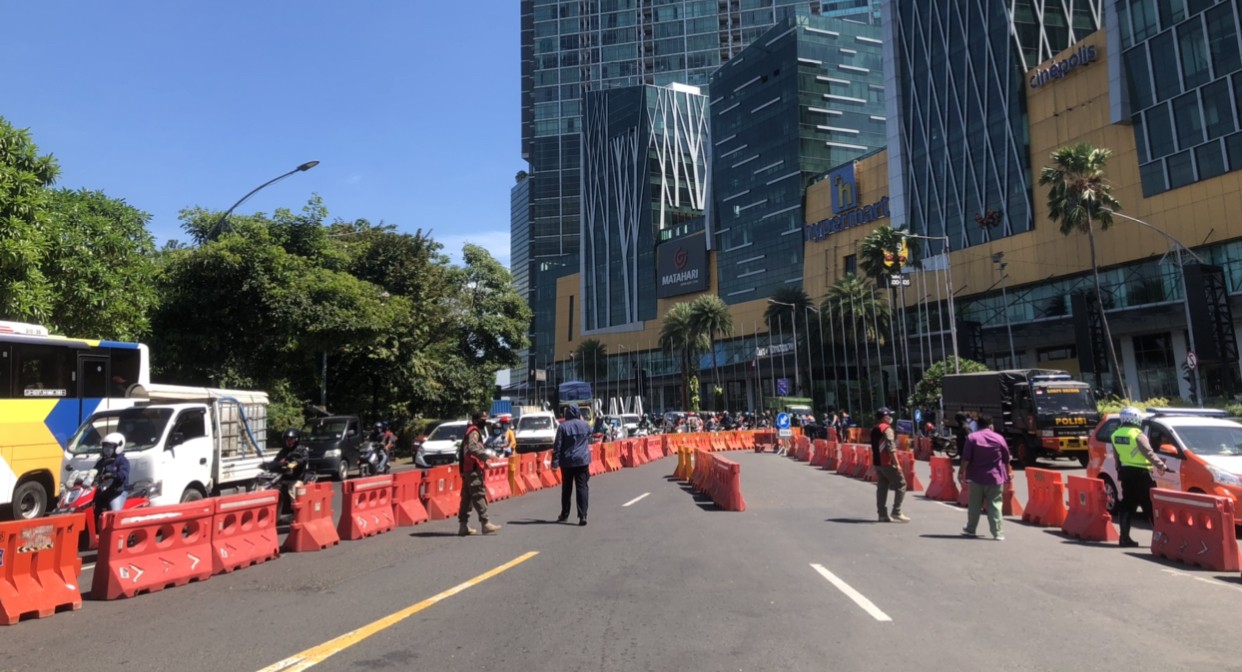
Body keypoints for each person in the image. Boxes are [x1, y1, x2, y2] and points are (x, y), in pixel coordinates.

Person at [1111, 406, 1167, 548]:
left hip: (1125, 472)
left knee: (1127, 505)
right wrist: (1161, 465)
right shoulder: (1138, 434)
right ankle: (1160, 540)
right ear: (1136, 419)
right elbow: (1149, 453)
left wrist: (1119, 468)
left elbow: (1116, 456)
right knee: (1150, 505)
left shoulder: (1115, 434)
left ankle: (1124, 538)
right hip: (1142, 474)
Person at [958, 415, 1013, 540]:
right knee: (995, 505)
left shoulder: (972, 438)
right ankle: (998, 533)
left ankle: (971, 529)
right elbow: (1006, 459)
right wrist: (1008, 474)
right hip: (995, 478)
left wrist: (961, 472)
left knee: (974, 505)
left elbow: (966, 458)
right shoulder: (999, 438)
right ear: (991, 426)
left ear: (977, 426)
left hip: (976, 478)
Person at [458, 411, 501, 536]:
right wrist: (486, 457)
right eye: (483, 419)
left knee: (466, 498)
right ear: (476, 420)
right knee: (478, 494)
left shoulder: (470, 431)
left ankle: (463, 526)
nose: (485, 421)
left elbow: (464, 451)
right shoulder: (474, 432)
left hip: (468, 469)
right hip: (472, 470)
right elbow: (472, 448)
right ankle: (485, 522)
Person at [552, 404, 592, 525]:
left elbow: (557, 446)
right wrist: (581, 420)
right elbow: (591, 432)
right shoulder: (585, 425)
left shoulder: (563, 427)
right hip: (582, 461)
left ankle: (564, 514)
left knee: (567, 489)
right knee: (582, 487)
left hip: (567, 462)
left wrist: (555, 463)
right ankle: (583, 515)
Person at [871, 408, 909, 522]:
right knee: (901, 484)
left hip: (877, 463)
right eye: (889, 415)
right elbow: (891, 448)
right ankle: (896, 511)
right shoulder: (887, 429)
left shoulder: (875, 428)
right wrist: (897, 464)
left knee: (882, 487)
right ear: (884, 417)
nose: (890, 417)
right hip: (887, 462)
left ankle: (882, 514)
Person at [94, 432, 131, 514]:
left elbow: (123, 475)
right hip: (105, 491)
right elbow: (95, 470)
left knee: (114, 513)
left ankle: (115, 525)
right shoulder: (102, 461)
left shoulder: (122, 461)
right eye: (105, 447)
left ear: (118, 448)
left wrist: (113, 475)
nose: (106, 450)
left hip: (118, 491)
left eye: (110, 447)